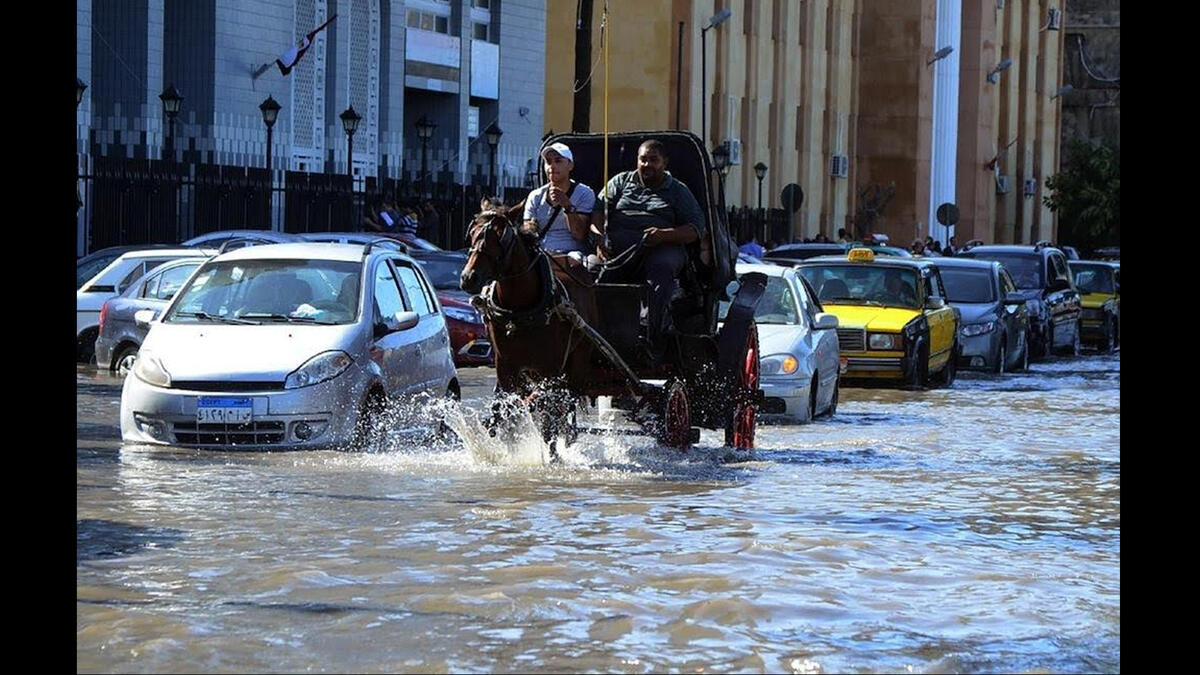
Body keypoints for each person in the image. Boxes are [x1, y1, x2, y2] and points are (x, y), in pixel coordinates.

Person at [592, 139, 706, 359]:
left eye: (653, 160)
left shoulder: (678, 190)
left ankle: (652, 336)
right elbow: (598, 210)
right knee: (593, 271)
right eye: (643, 159)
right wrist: (599, 238)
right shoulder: (620, 182)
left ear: (665, 162)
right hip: (620, 250)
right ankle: (599, 335)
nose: (647, 165)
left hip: (662, 247)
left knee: (661, 270)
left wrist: (664, 235)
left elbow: (695, 228)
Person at [520, 142, 596, 255]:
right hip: (541, 253)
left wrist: (567, 205)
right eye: (548, 162)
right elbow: (528, 232)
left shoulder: (585, 193)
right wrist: (530, 227)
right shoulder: (535, 196)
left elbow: (579, 235)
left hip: (572, 253)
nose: (552, 166)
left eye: (558, 161)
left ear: (570, 165)